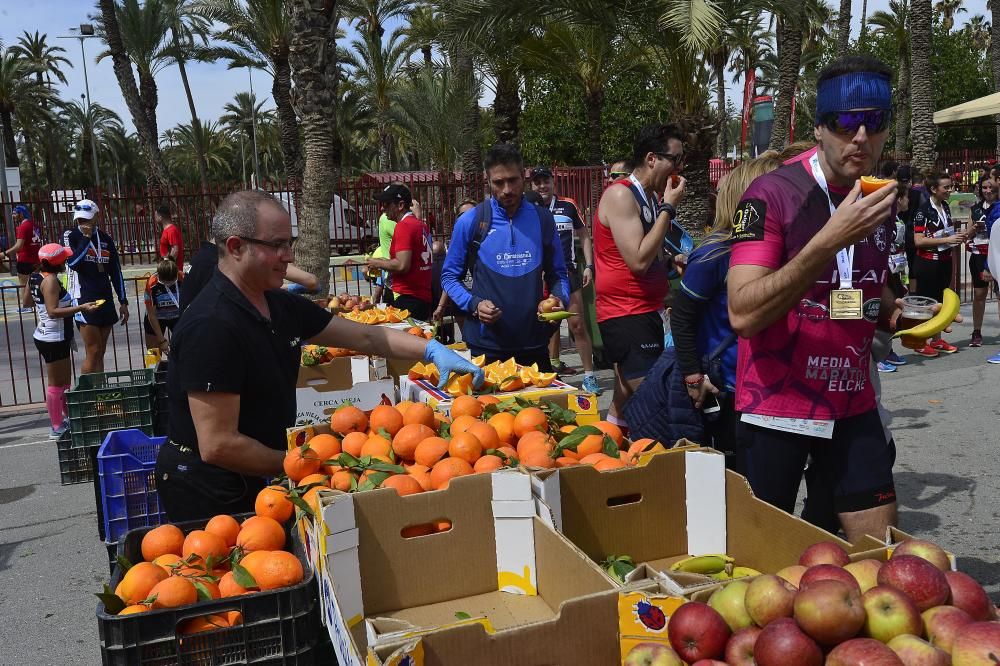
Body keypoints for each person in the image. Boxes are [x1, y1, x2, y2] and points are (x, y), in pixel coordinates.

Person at [155, 190, 482, 521]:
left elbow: (367, 335)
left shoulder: (278, 305)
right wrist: (312, 462)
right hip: (209, 487)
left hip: (261, 468)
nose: (288, 257)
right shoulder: (212, 326)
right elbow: (218, 444)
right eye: (277, 245)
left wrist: (430, 348)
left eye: (290, 244)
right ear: (237, 247)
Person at [727, 55, 906, 543]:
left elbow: (864, 284)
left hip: (852, 397)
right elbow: (743, 312)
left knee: (882, 558)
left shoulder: (879, 194)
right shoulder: (771, 194)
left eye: (875, 122)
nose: (861, 138)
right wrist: (830, 238)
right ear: (819, 126)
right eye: (846, 123)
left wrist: (893, 308)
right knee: (766, 561)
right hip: (778, 403)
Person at [672, 153, 783, 474]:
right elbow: (681, 317)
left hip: (773, 385)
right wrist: (694, 377)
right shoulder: (714, 253)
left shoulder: (782, 250)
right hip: (729, 389)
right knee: (736, 478)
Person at [441, 144, 570, 370]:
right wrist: (474, 304)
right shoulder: (471, 221)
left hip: (534, 345)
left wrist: (559, 299)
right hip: (486, 348)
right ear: (488, 182)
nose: (507, 189)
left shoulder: (542, 220)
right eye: (498, 183)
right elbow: (449, 277)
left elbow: (558, 273)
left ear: (523, 177)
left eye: (513, 180)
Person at [593, 123, 686, 433]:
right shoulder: (621, 195)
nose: (679, 169)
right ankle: (652, 467)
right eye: (675, 160)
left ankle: (606, 456)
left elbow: (652, 257)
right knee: (654, 400)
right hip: (625, 313)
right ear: (651, 159)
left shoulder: (648, 198)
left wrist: (672, 263)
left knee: (623, 395)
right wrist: (669, 208)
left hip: (646, 311)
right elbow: (638, 260)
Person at [530, 166, 601, 394]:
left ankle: (590, 376)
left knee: (578, 325)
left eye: (546, 181)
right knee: (548, 327)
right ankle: (552, 370)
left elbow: (584, 236)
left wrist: (589, 265)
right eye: (537, 182)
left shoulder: (568, 205)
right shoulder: (529, 208)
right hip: (540, 276)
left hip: (568, 272)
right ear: (532, 185)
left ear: (553, 182)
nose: (542, 186)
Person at [20, 244, 100, 438]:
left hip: (54, 336)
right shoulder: (51, 281)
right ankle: (56, 426)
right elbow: (53, 312)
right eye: (64, 258)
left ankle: (65, 417)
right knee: (56, 384)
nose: (66, 261)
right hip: (53, 338)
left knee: (63, 382)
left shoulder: (35, 277)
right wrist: (82, 308)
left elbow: (27, 302)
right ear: (56, 262)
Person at [63, 199, 130, 374]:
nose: (82, 222)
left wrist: (123, 301)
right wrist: (86, 239)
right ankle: (86, 395)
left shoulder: (106, 239)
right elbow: (73, 263)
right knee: (93, 351)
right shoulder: (72, 236)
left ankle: (100, 396)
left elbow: (116, 272)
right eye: (79, 219)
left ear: (95, 218)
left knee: (100, 352)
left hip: (105, 298)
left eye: (86, 219)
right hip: (84, 298)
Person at [911, 172, 963, 356]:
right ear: (934, 189)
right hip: (927, 263)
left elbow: (945, 233)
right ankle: (919, 341)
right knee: (926, 303)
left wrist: (955, 238)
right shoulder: (922, 212)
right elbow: (918, 241)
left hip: (945, 261)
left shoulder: (946, 207)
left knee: (940, 302)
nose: (950, 190)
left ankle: (936, 339)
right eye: (946, 187)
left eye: (950, 186)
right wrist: (947, 239)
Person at [366, 184, 433, 321]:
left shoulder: (405, 226)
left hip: (409, 298)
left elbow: (402, 265)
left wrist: (375, 262)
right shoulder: (420, 225)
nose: (382, 208)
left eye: (386, 204)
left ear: (400, 205)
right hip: (421, 296)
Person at [432, 200, 476, 334]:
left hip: (482, 300)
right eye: (462, 215)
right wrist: (441, 306)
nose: (467, 217)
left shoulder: (487, 241)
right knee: (467, 339)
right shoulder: (457, 245)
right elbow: (450, 277)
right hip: (461, 301)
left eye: (471, 213)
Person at [966, 176, 997, 348]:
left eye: (991, 187)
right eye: (984, 187)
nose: (988, 191)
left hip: (996, 255)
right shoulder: (975, 209)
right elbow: (967, 235)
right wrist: (973, 228)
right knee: (979, 295)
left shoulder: (999, 207)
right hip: (979, 256)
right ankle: (977, 331)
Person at [4, 205, 43, 313]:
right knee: (34, 283)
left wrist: (4, 253)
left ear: (21, 214)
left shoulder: (23, 227)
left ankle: (26, 306)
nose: (13, 216)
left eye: (15, 213)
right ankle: (36, 304)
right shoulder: (34, 225)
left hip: (25, 259)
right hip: (36, 259)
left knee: (24, 284)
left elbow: (19, 246)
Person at [143, 258, 183, 353]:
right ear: (159, 277)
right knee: (153, 352)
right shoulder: (151, 283)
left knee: (184, 349)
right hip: (156, 318)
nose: (168, 284)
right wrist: (161, 341)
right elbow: (151, 315)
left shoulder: (182, 278)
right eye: (165, 282)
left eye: (171, 281)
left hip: (177, 317)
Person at [157, 204, 184, 270]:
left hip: (172, 272)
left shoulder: (171, 230)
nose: (155, 218)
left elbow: (175, 250)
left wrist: (168, 267)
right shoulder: (167, 230)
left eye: (156, 216)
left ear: (160, 217)